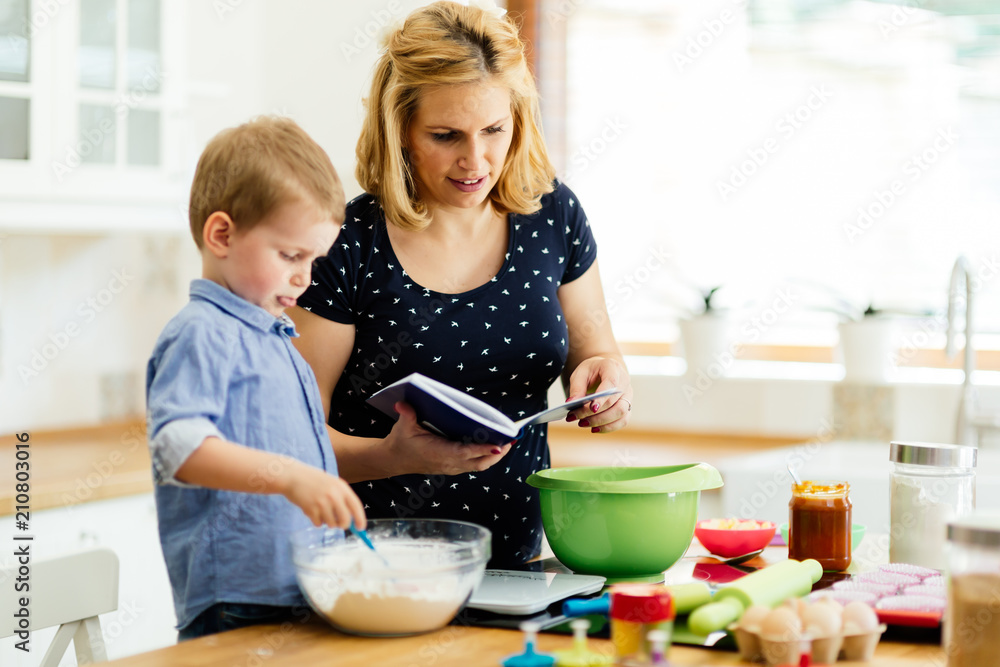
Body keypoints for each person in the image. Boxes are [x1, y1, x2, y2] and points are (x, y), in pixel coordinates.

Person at [290, 1, 632, 567]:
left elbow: (595, 349)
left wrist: (604, 380)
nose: (476, 160)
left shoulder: (553, 214)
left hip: (517, 566)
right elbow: (291, 442)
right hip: (371, 569)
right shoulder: (348, 241)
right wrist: (392, 457)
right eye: (446, 135)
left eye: (494, 129)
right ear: (399, 128)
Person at [145, 116, 366, 640]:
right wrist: (291, 476)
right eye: (291, 255)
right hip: (238, 598)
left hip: (297, 588)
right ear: (221, 234)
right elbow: (178, 446)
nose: (304, 277)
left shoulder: (274, 336)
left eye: (314, 259)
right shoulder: (204, 332)